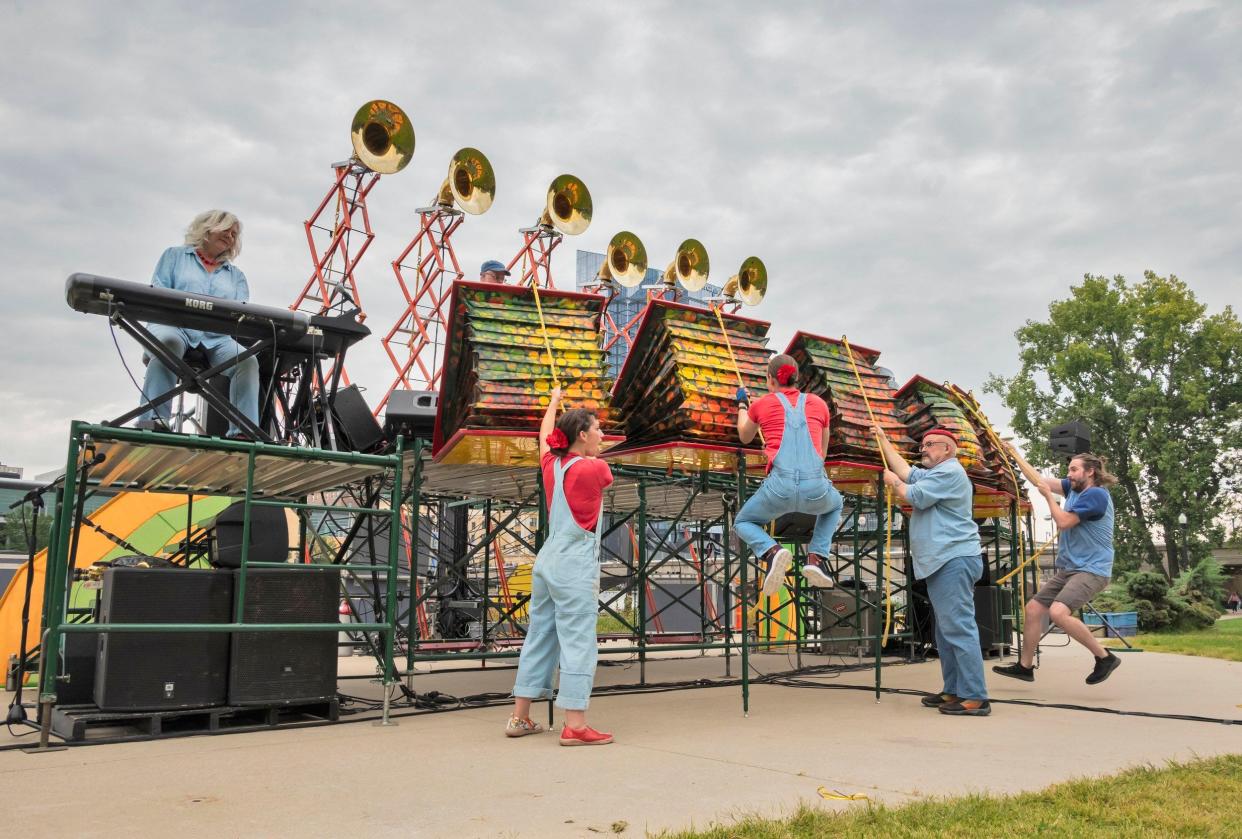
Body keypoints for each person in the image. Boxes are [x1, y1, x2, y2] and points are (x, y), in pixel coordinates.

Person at [508, 387, 614, 746]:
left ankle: (520, 717)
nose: (603, 435)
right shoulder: (594, 468)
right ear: (582, 435)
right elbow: (604, 474)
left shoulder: (552, 464)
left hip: (548, 560)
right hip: (575, 565)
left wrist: (553, 401)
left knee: (540, 636)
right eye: (598, 429)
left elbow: (545, 437)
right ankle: (575, 723)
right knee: (578, 640)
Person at [875, 424, 990, 716]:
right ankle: (953, 690)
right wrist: (883, 439)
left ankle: (975, 696)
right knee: (946, 630)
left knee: (958, 627)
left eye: (929, 445)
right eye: (923, 445)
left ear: (947, 449)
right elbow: (906, 471)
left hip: (952, 559)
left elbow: (912, 493)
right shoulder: (937, 473)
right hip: (943, 560)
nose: (923, 449)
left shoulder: (950, 472)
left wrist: (892, 482)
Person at [995, 445, 1121, 686]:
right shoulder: (1073, 488)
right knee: (1033, 609)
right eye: (1068, 470)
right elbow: (1038, 480)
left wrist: (1048, 498)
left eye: (1073, 469)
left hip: (1092, 569)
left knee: (1057, 612)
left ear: (1090, 472)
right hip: (1071, 568)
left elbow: (1063, 521)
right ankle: (1025, 667)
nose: (1069, 474)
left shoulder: (1096, 495)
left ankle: (1104, 657)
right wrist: (1014, 454)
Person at [137, 209, 259, 438]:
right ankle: (152, 420)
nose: (230, 237)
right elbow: (158, 295)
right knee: (168, 342)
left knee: (247, 361)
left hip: (216, 337)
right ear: (207, 228)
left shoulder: (236, 276)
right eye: (226, 230)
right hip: (173, 326)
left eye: (234, 234)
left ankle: (244, 431)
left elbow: (240, 312)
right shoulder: (174, 256)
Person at [734, 354, 843, 596]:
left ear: (770, 379)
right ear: (797, 378)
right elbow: (821, 453)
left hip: (778, 490)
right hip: (816, 488)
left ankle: (772, 552)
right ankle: (816, 558)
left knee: (743, 522)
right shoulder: (819, 404)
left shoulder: (761, 404)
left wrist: (742, 404)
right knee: (835, 504)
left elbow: (744, 435)